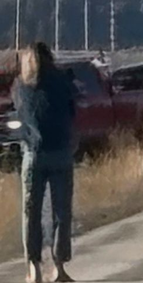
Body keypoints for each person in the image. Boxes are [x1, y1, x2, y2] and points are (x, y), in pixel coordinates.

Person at [13, 42, 76, 283]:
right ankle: (58, 267)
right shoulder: (61, 82)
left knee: (31, 212)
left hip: (33, 153)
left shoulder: (20, 86)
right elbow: (72, 112)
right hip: (60, 150)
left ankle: (34, 268)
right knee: (61, 211)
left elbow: (20, 114)